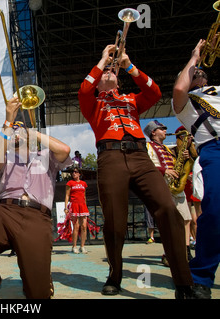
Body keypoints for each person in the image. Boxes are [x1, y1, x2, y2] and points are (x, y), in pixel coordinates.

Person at [78, 44, 194, 298]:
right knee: (115, 223)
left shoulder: (131, 100)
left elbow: (154, 92)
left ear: (118, 81)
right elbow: (84, 88)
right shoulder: (92, 102)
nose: (109, 71)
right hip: (110, 158)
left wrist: (128, 64)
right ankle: (115, 275)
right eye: (104, 73)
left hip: (141, 157)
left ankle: (184, 283)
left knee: (169, 210)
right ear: (99, 83)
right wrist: (102, 60)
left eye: (113, 71)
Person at [0, 97, 72, 299]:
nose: (16, 134)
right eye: (14, 132)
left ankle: (42, 278)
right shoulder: (6, 158)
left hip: (37, 216)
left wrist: (32, 133)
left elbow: (65, 150)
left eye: (19, 131)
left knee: (37, 294)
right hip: (5, 211)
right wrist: (8, 123)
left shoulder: (46, 155)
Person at [172, 38, 220, 299]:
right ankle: (200, 277)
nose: (198, 73)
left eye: (201, 71)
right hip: (214, 149)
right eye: (193, 73)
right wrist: (194, 57)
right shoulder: (185, 101)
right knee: (214, 211)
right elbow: (179, 87)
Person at [144, 121, 195, 263]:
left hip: (176, 186)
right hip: (162, 185)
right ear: (153, 132)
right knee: (169, 221)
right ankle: (169, 253)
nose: (166, 131)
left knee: (186, 218)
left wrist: (184, 159)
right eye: (162, 129)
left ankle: (186, 251)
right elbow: (146, 165)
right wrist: (164, 170)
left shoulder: (167, 148)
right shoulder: (147, 147)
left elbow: (175, 162)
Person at [64, 167, 89, 254]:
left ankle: (82, 246)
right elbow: (67, 195)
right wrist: (66, 207)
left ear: (79, 174)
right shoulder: (70, 183)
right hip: (74, 205)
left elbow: (84, 195)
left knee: (84, 226)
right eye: (73, 172)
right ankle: (74, 246)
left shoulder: (83, 183)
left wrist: (85, 205)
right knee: (76, 226)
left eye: (76, 172)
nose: (74, 173)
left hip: (83, 206)